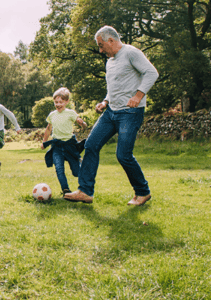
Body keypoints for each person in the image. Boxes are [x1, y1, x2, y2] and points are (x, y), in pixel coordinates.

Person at [63, 25, 158, 205]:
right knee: (90, 145)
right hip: (111, 112)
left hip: (130, 113)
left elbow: (152, 73)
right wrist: (105, 101)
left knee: (123, 155)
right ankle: (85, 191)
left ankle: (142, 192)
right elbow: (114, 86)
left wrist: (138, 96)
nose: (100, 50)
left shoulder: (131, 52)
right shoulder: (110, 61)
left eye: (101, 45)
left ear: (111, 40)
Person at [40, 87, 88, 195]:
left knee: (76, 172)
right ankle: (65, 190)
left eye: (61, 102)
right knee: (59, 168)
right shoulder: (52, 115)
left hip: (69, 145)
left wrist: (82, 123)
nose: (58, 104)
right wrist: (44, 142)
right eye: (56, 102)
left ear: (66, 101)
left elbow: (83, 124)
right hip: (57, 145)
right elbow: (48, 129)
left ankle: (84, 185)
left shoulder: (70, 113)